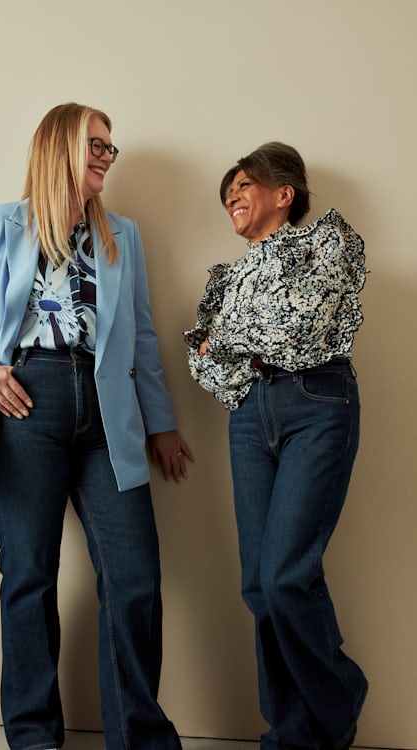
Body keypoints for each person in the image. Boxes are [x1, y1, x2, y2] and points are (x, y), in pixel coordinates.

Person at [0, 102, 193, 750]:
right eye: (96, 144)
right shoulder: (3, 223)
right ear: (60, 146)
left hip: (110, 409)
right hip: (26, 400)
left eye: (111, 147)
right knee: (29, 575)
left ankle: (138, 739)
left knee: (134, 577)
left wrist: (162, 424)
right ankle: (34, 738)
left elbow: (142, 335)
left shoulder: (123, 235)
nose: (107, 157)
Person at [184, 142, 368, 750]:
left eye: (244, 185)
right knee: (259, 587)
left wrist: (226, 340)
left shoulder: (328, 244)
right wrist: (228, 346)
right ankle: (290, 736)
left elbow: (302, 328)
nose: (231, 198)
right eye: (227, 193)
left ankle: (340, 700)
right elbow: (206, 368)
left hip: (316, 404)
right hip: (248, 414)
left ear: (284, 193)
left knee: (286, 575)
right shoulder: (226, 278)